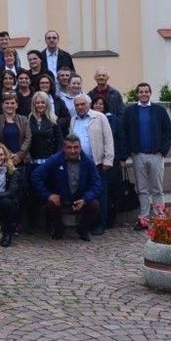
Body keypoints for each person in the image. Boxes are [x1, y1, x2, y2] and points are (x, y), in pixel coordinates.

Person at [122, 82, 171, 231]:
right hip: (138, 155)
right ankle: (143, 219)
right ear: (137, 94)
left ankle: (160, 218)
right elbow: (124, 132)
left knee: (157, 189)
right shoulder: (130, 111)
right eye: (141, 92)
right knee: (142, 189)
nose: (143, 94)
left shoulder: (159, 110)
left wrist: (163, 150)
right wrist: (129, 151)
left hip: (156, 155)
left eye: (146, 92)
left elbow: (168, 131)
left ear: (150, 93)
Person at [31, 135, 102, 241]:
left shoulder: (88, 162)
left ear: (80, 148)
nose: (72, 151)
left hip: (80, 199)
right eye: (69, 147)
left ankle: (82, 229)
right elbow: (36, 176)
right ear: (64, 148)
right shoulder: (55, 159)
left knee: (94, 205)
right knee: (51, 204)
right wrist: (49, 195)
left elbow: (97, 184)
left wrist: (85, 199)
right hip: (61, 199)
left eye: (75, 147)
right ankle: (58, 229)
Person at [70, 93, 115, 236]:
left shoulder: (99, 117)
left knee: (100, 193)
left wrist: (108, 159)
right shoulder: (73, 120)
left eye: (82, 104)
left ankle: (101, 223)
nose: (80, 107)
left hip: (98, 162)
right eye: (77, 105)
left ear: (88, 104)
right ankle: (88, 223)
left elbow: (108, 139)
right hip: (80, 163)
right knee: (85, 193)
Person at [26, 90, 62, 228]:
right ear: (34, 104)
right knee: (33, 194)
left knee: (50, 193)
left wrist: (55, 160)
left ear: (47, 104)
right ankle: (32, 224)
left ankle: (50, 224)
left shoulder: (54, 120)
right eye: (37, 103)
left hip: (50, 163)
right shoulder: (29, 120)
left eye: (42, 102)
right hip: (33, 163)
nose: (40, 105)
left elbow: (59, 142)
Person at [92, 95, 128, 229]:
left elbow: (121, 139)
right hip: (96, 161)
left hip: (112, 161)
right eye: (96, 103)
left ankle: (109, 220)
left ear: (105, 106)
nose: (98, 106)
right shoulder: (90, 119)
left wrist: (123, 158)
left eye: (101, 104)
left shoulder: (114, 120)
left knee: (111, 191)